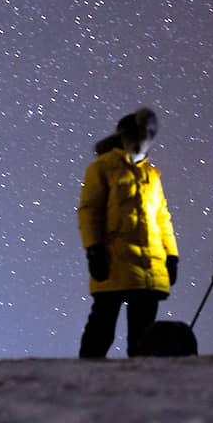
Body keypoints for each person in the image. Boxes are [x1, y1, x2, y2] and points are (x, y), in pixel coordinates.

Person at [77, 107, 179, 358]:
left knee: (143, 339)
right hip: (114, 261)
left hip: (149, 267)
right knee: (102, 330)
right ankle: (84, 383)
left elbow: (162, 219)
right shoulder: (102, 168)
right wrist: (94, 248)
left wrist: (171, 255)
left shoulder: (152, 176)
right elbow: (90, 211)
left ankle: (140, 390)